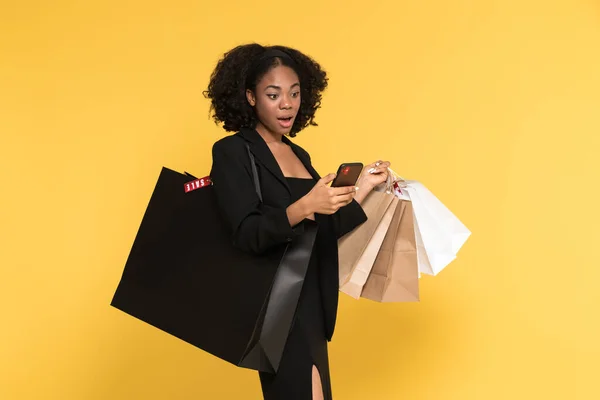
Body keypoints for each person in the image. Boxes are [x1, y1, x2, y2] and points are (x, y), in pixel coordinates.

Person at [204, 43, 390, 400]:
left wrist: (362, 185)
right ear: (251, 97)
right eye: (273, 94)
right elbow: (246, 233)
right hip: (274, 306)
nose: (287, 104)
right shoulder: (231, 151)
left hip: (311, 301)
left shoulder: (298, 153)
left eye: (294, 93)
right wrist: (303, 207)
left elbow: (323, 230)